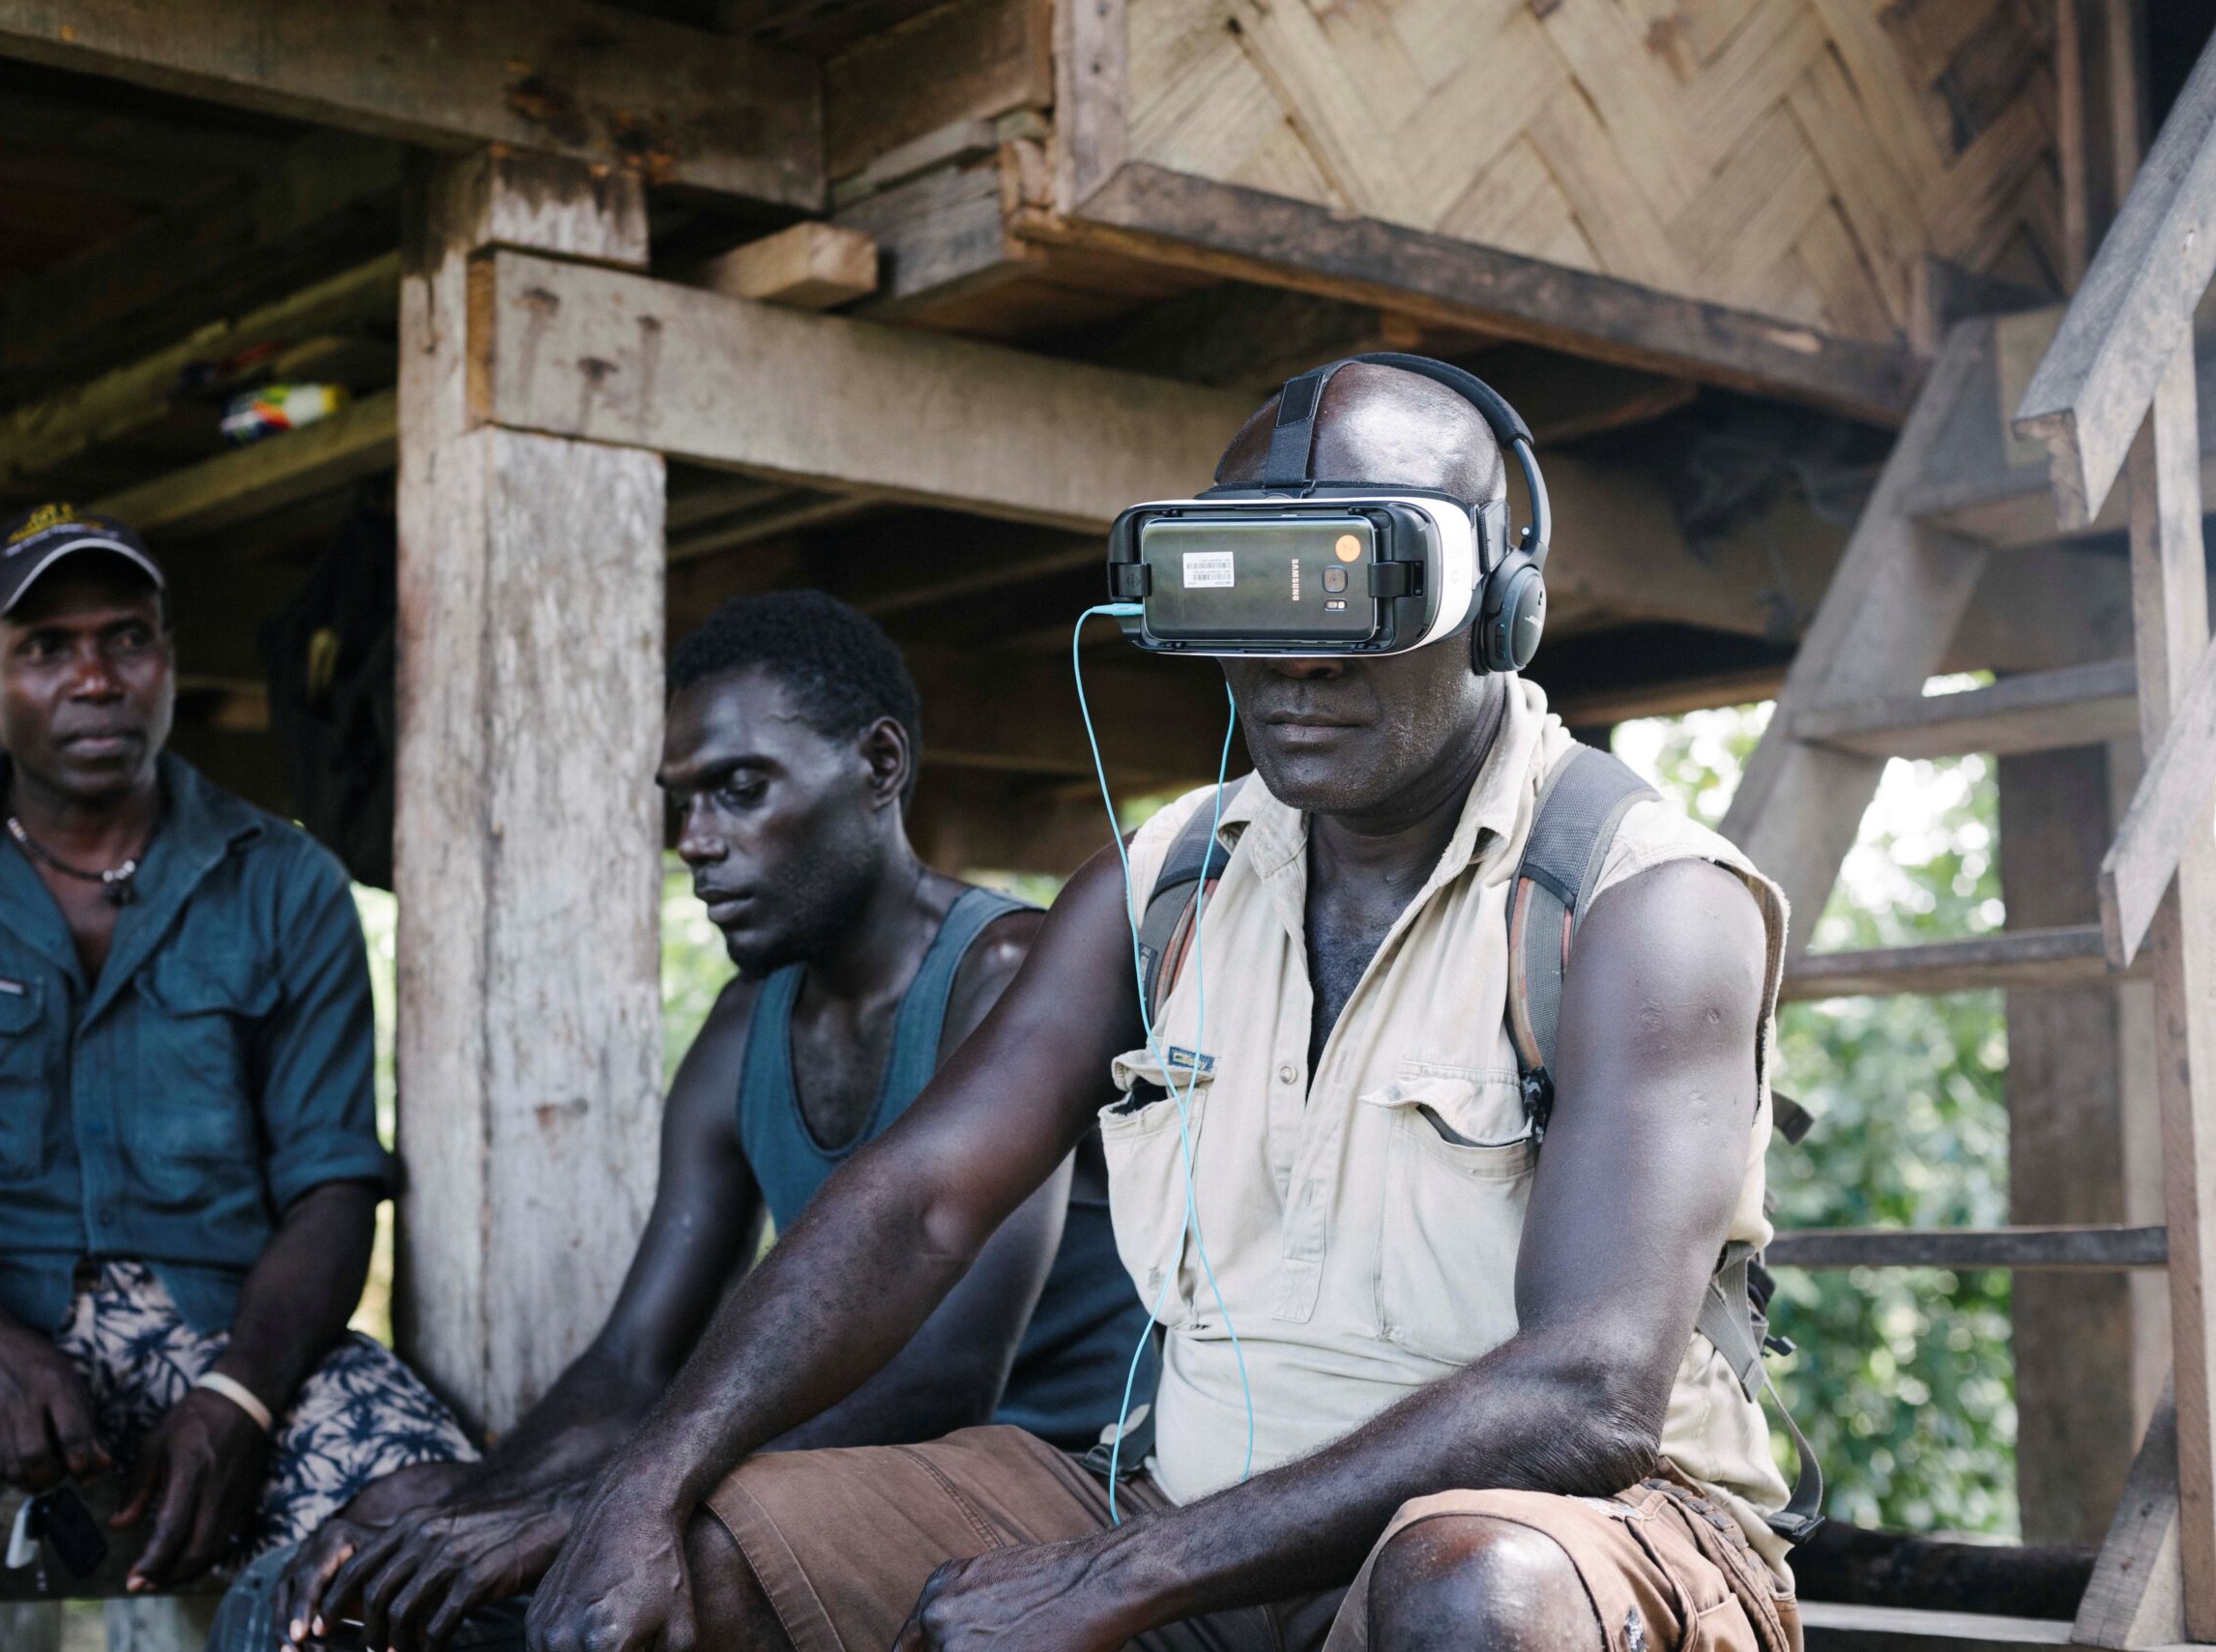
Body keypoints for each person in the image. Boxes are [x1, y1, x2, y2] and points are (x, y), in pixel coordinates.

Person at [515, 363, 1804, 1652]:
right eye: (1240, 587)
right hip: (1197, 1524)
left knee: (1471, 1595)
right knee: (700, 1555)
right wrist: (641, 1482)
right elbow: (918, 1204)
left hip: (1577, 1534)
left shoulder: (1642, 899)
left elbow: (1589, 1394)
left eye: (1360, 586)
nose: (1292, 654)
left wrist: (1119, 1574)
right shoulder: (1161, 886)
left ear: (1498, 606)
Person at [234, 592, 1146, 1652]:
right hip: (836, 1483)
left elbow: (943, 1375)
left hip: (1048, 1496)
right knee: (357, 1573)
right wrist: (475, 1497)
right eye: (680, 804)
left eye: (739, 789)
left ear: (880, 764)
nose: (696, 842)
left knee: (606, 1596)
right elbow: (632, 1361)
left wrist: (596, 1506)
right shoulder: (741, 1028)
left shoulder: (1007, 973)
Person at [0, 507, 472, 1652]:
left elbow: (333, 1185)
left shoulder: (284, 881)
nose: (94, 675)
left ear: (167, 664)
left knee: (431, 1531)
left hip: (229, 1328)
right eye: (45, 646)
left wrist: (238, 1395)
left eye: (126, 638)